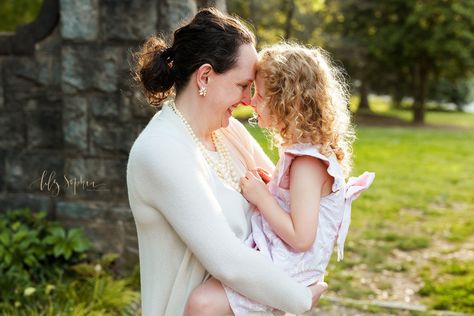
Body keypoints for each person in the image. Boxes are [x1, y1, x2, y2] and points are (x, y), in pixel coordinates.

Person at [127, 9, 322, 316]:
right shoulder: (159, 151)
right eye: (243, 85)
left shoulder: (230, 132)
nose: (248, 99)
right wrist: (301, 298)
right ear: (205, 77)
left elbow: (290, 208)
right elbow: (227, 260)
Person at [185, 43, 375, 315]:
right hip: (282, 258)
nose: (251, 102)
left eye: (260, 95)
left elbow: (301, 238)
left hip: (290, 267)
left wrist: (262, 198)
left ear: (288, 102)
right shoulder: (303, 154)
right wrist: (273, 187)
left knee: (202, 304)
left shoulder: (308, 163)